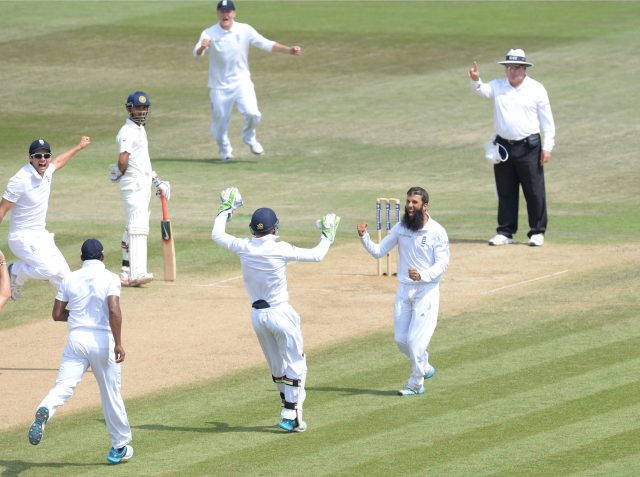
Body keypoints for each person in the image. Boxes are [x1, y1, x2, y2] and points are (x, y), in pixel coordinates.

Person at [211, 187, 340, 432]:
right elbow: (317, 255)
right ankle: (292, 413)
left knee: (277, 365)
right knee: (296, 363)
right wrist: (327, 233)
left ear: (252, 229)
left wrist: (227, 207)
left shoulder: (244, 246)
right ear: (275, 228)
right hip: (281, 313)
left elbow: (217, 234)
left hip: (258, 317)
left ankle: (287, 408)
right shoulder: (280, 249)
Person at [27, 239, 133, 464]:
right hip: (102, 342)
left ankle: (44, 408)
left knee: (63, 387)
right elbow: (114, 310)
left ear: (82, 258)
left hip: (76, 341)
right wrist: (119, 343)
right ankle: (119, 446)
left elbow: (57, 314)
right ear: (102, 257)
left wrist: (76, 317)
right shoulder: (111, 278)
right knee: (111, 394)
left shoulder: (70, 278)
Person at [357, 187, 449, 396]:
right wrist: (364, 236)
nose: (409, 206)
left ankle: (415, 384)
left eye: (414, 203)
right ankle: (424, 367)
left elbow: (443, 263)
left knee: (416, 343)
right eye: (408, 202)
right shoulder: (401, 228)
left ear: (424, 206)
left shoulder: (437, 231)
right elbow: (379, 251)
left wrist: (423, 275)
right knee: (401, 340)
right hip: (404, 289)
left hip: (426, 290)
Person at [193, 0, 302, 161]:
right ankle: (225, 151)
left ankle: (249, 137)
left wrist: (289, 50)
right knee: (220, 123)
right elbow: (197, 54)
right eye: (222, 11)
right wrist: (203, 47)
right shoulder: (209, 33)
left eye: (228, 11)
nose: (225, 14)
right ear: (218, 14)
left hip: (241, 82)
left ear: (234, 13)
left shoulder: (244, 29)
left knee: (253, 113)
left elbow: (265, 44)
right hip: (219, 86)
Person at [468, 48, 556, 247]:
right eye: (508, 67)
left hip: (529, 147)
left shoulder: (536, 89)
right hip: (503, 147)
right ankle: (505, 232)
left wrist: (548, 146)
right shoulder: (499, 86)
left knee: (534, 190)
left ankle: (537, 231)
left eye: (516, 67)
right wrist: (475, 79)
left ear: (524, 69)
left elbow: (547, 122)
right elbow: (482, 91)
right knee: (505, 190)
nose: (512, 71)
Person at [0, 136, 91, 300]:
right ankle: (15, 271)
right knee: (48, 269)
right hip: (21, 237)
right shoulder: (19, 180)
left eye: (46, 155)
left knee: (66, 278)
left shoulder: (47, 171)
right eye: (38, 156)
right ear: (30, 158)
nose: (43, 159)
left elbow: (59, 162)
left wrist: (79, 147)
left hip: (41, 235)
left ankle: (78, 307)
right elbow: (2, 209)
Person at [111, 90, 170, 287]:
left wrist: (157, 180)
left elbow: (143, 161)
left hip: (142, 184)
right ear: (130, 109)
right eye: (138, 108)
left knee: (131, 227)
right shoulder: (127, 131)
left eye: (145, 108)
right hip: (133, 185)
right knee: (138, 226)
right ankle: (138, 273)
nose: (142, 111)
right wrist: (120, 172)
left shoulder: (140, 129)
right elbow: (123, 159)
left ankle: (125, 272)